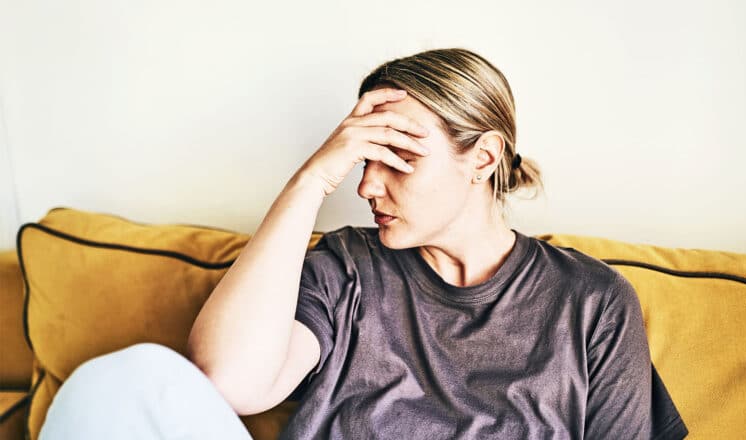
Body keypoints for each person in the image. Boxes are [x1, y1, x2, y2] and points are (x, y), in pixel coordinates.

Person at [40, 48, 688, 439]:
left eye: (396, 154)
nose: (368, 184)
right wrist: (313, 177)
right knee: (127, 379)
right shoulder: (347, 267)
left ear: (483, 156)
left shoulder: (592, 303)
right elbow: (230, 381)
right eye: (361, 157)